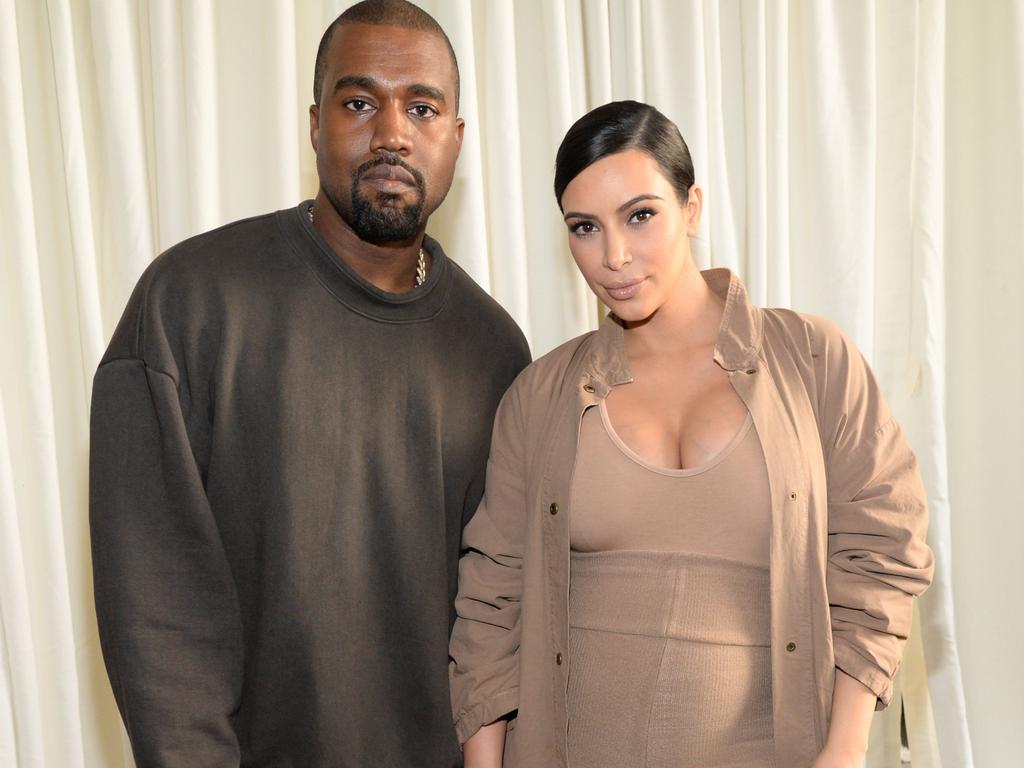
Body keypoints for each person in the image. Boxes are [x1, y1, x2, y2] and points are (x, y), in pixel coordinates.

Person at [89, 1, 529, 765]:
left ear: (456, 139)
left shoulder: (494, 351)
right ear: (315, 123)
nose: (392, 132)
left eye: (421, 107)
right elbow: (158, 616)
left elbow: (498, 613)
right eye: (360, 103)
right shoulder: (192, 302)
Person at [449, 100, 934, 768]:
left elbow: (884, 552)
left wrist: (844, 747)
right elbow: (491, 599)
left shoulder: (814, 360)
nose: (614, 256)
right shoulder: (541, 396)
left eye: (640, 216)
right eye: (584, 227)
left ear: (693, 208)